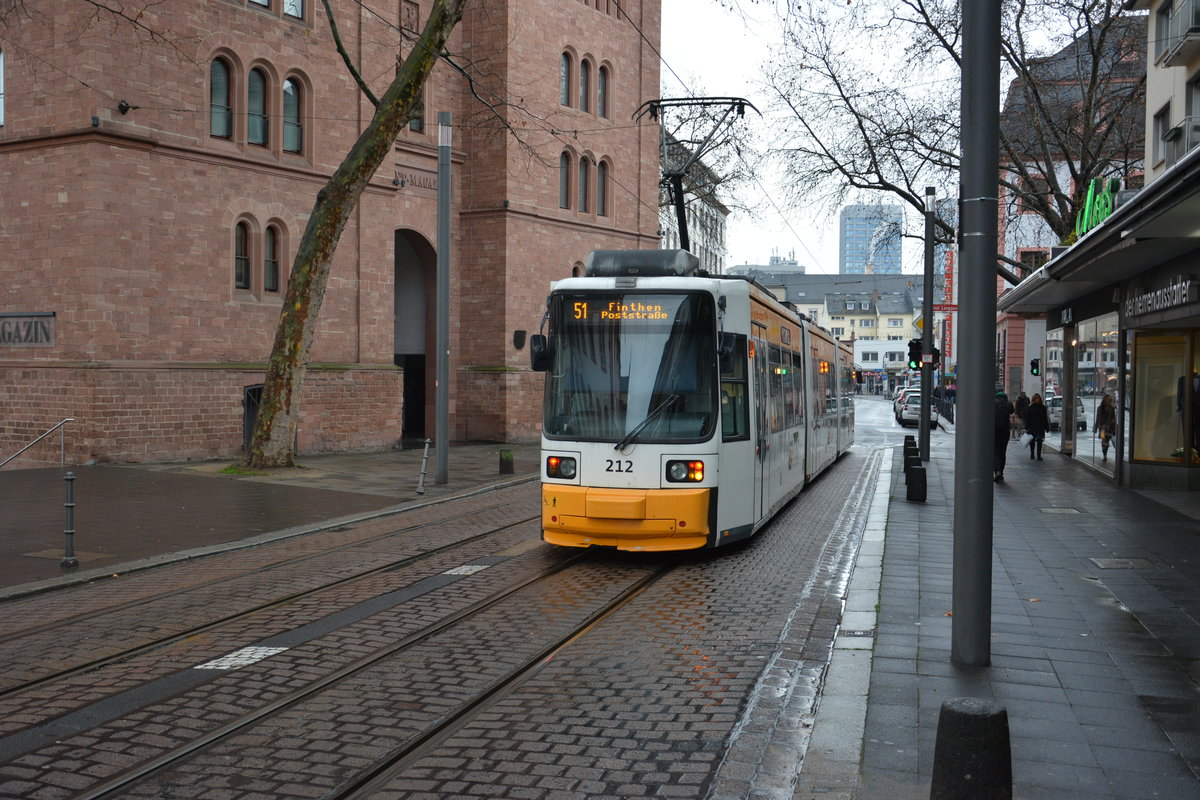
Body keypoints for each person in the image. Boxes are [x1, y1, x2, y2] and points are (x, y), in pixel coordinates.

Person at [994, 389, 1016, 482]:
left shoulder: (993, 402)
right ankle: (1001, 471)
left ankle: (997, 471)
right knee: (1003, 451)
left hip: (995, 429)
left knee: (995, 450)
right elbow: (1012, 411)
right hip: (1005, 430)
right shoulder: (1009, 403)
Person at [1025, 393, 1050, 461]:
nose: (1037, 400)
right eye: (1036, 399)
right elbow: (1028, 418)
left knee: (1040, 442)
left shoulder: (1043, 408)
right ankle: (1032, 453)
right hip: (1032, 427)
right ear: (1033, 399)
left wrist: (1046, 427)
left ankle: (1039, 455)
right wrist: (1027, 427)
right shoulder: (1030, 408)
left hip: (1040, 427)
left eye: (1038, 398)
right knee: (1032, 441)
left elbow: (1045, 418)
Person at [1095, 393, 1117, 461]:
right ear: (1104, 400)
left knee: (1106, 441)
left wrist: (1114, 429)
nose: (1107, 401)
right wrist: (1096, 427)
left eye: (1109, 400)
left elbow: (1114, 419)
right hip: (1102, 428)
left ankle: (1105, 454)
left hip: (1109, 428)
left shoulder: (1111, 408)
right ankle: (1105, 455)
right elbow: (1098, 418)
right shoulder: (1100, 408)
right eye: (1106, 399)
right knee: (1104, 441)